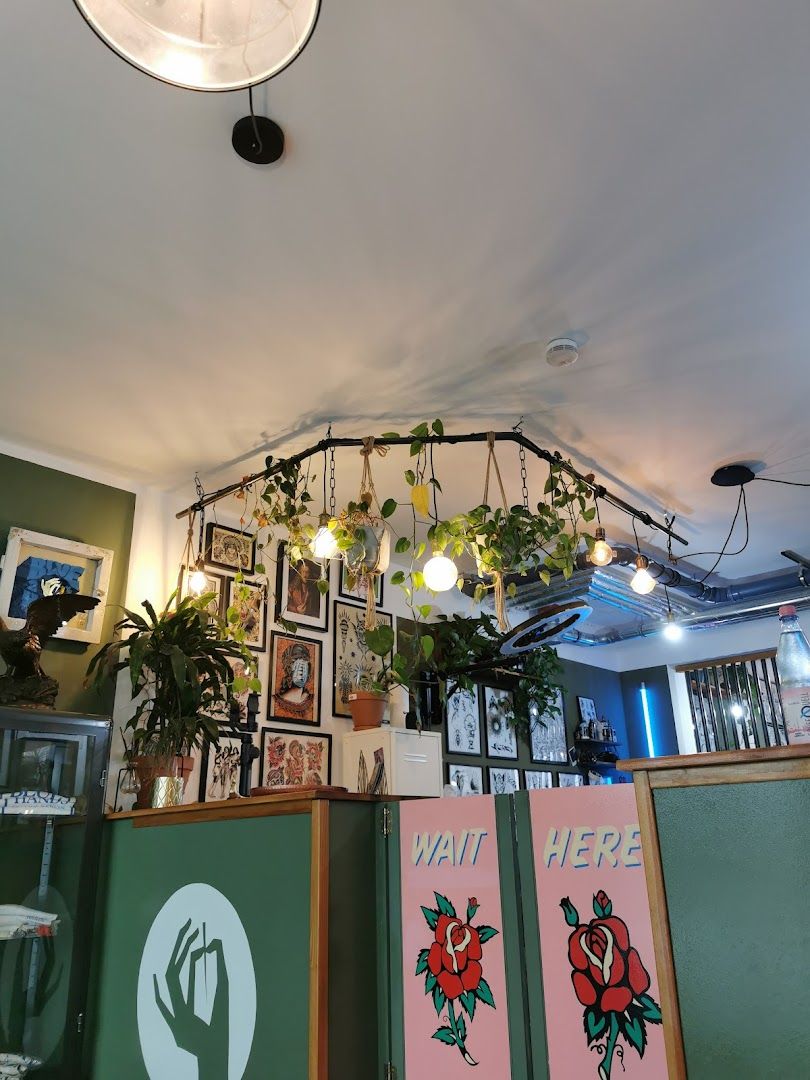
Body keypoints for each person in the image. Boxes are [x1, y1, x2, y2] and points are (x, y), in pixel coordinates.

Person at [273, 641, 314, 720]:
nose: (301, 666)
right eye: (296, 660)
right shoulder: (277, 702)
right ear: (288, 668)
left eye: (305, 661)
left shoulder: (311, 700)